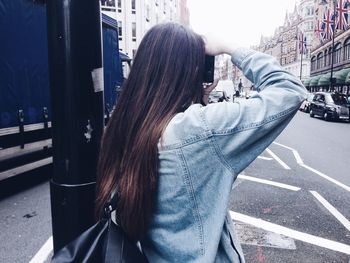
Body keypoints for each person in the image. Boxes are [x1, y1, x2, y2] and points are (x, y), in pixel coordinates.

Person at [95, 23, 306, 262]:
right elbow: (289, 90)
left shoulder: (126, 127)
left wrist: (197, 102)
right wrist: (230, 47)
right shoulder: (198, 128)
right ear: (192, 69)